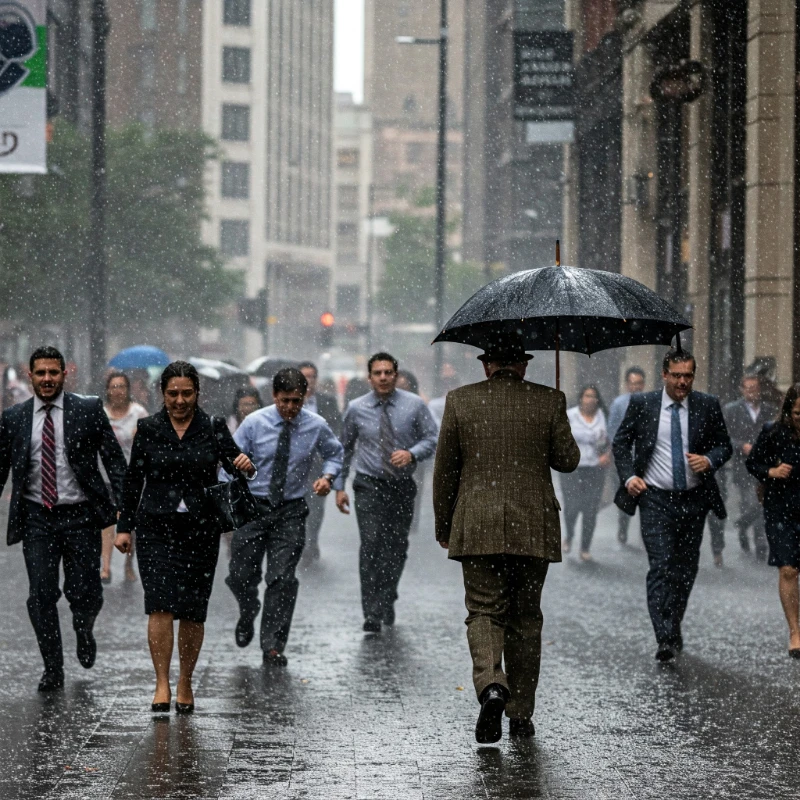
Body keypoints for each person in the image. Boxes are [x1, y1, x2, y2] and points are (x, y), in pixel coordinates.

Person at [433, 339, 579, 743]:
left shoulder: (460, 401)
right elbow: (568, 460)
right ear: (523, 365)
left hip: (476, 524)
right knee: (526, 619)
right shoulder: (549, 399)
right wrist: (553, 411)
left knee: (483, 612)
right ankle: (520, 715)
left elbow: (446, 470)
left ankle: (492, 685)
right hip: (533, 527)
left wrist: (445, 525)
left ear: (487, 365)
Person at [115, 361, 254, 713]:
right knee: (159, 603)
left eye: (186, 393)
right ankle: (161, 681)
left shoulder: (212, 426)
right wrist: (124, 527)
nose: (179, 400)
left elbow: (235, 462)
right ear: (163, 394)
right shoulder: (147, 428)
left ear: (197, 393)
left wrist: (246, 466)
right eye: (173, 394)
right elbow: (134, 480)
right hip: (156, 529)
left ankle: (185, 681)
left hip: (200, 529)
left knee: (193, 609)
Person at [0, 346, 127, 692]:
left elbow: (113, 460)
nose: (46, 379)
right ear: (30, 375)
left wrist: (123, 507)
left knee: (85, 593)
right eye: (40, 373)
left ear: (63, 374)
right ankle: (53, 667)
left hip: (80, 516)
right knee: (41, 594)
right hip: (37, 517)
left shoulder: (86, 410)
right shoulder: (14, 418)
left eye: (53, 373)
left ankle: (84, 629)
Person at [613, 349, 732, 662]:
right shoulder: (643, 404)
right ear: (664, 374)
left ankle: (673, 622)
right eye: (677, 375)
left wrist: (709, 459)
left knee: (686, 570)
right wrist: (629, 477)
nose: (682, 381)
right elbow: (621, 442)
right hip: (655, 498)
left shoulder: (707, 405)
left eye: (688, 375)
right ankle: (664, 636)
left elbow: (725, 445)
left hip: (694, 501)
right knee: (662, 566)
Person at [225, 368, 343, 665]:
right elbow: (226, 461)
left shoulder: (315, 425)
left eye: (297, 401)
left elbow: (334, 452)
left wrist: (328, 477)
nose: (290, 407)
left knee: (282, 578)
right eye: (285, 400)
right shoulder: (254, 423)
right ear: (274, 396)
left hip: (290, 509)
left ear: (305, 398)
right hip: (253, 506)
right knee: (240, 575)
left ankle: (273, 645)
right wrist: (237, 464)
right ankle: (248, 607)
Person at [335, 352, 438, 633]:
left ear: (396, 375)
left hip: (402, 486)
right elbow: (344, 449)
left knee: (396, 545)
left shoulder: (415, 406)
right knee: (371, 544)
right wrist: (339, 487)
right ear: (369, 378)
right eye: (377, 373)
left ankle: (387, 593)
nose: (383, 377)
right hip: (369, 484)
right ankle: (371, 610)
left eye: (388, 372)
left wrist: (412, 453)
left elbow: (433, 437)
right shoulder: (356, 408)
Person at [746, 384, 800, 658]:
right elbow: (752, 463)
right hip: (781, 509)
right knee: (788, 569)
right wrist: (772, 471)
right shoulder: (774, 432)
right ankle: (795, 631)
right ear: (789, 411)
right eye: (798, 413)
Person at [100, 371, 149, 584]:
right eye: (114, 387)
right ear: (107, 391)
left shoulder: (138, 413)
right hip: (105, 476)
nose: (118, 391)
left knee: (129, 524)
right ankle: (106, 566)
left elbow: (151, 442)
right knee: (107, 521)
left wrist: (142, 437)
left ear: (128, 390)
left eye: (121, 386)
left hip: (132, 478)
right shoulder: (100, 414)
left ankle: (129, 564)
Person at [724, 373, 776, 560]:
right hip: (743, 467)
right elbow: (724, 437)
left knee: (761, 504)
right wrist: (741, 445)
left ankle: (760, 542)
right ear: (742, 390)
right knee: (750, 502)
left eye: (755, 388)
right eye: (749, 388)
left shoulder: (769, 410)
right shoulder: (732, 410)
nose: (752, 392)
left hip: (765, 466)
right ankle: (744, 528)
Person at [298, 361, 342, 561]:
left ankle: (311, 541)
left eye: (312, 376)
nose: (309, 380)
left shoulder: (327, 402)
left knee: (315, 508)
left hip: (317, 465)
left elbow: (336, 429)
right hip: (294, 466)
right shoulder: (289, 402)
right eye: (305, 376)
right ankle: (298, 542)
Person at [562, 385, 610, 561]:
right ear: (581, 398)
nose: (590, 399)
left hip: (595, 469)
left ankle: (585, 547)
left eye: (593, 396)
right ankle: (569, 535)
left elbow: (611, 438)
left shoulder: (603, 416)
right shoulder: (570, 416)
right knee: (572, 506)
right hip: (572, 469)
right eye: (587, 396)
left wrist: (607, 454)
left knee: (590, 510)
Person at [607, 366, 646, 544]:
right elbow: (612, 431)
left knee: (647, 496)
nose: (635, 387)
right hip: (625, 458)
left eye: (638, 383)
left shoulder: (650, 402)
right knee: (627, 494)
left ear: (643, 384)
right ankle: (623, 528)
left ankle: (646, 532)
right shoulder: (619, 404)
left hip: (645, 458)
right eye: (632, 383)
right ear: (627, 384)